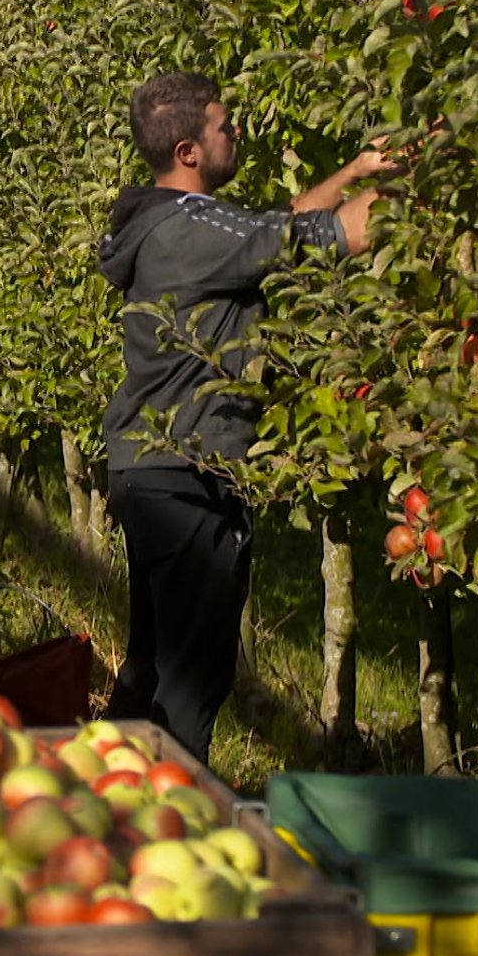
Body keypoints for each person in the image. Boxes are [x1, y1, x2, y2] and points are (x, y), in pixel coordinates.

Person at [98, 71, 396, 768]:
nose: (237, 133)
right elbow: (340, 233)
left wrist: (355, 169)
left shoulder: (170, 220)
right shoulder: (195, 230)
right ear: (189, 148)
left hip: (151, 469)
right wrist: (444, 172)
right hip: (189, 475)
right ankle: (172, 827)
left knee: (148, 669)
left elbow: (279, 222)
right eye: (225, 126)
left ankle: (92, 807)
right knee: (191, 683)